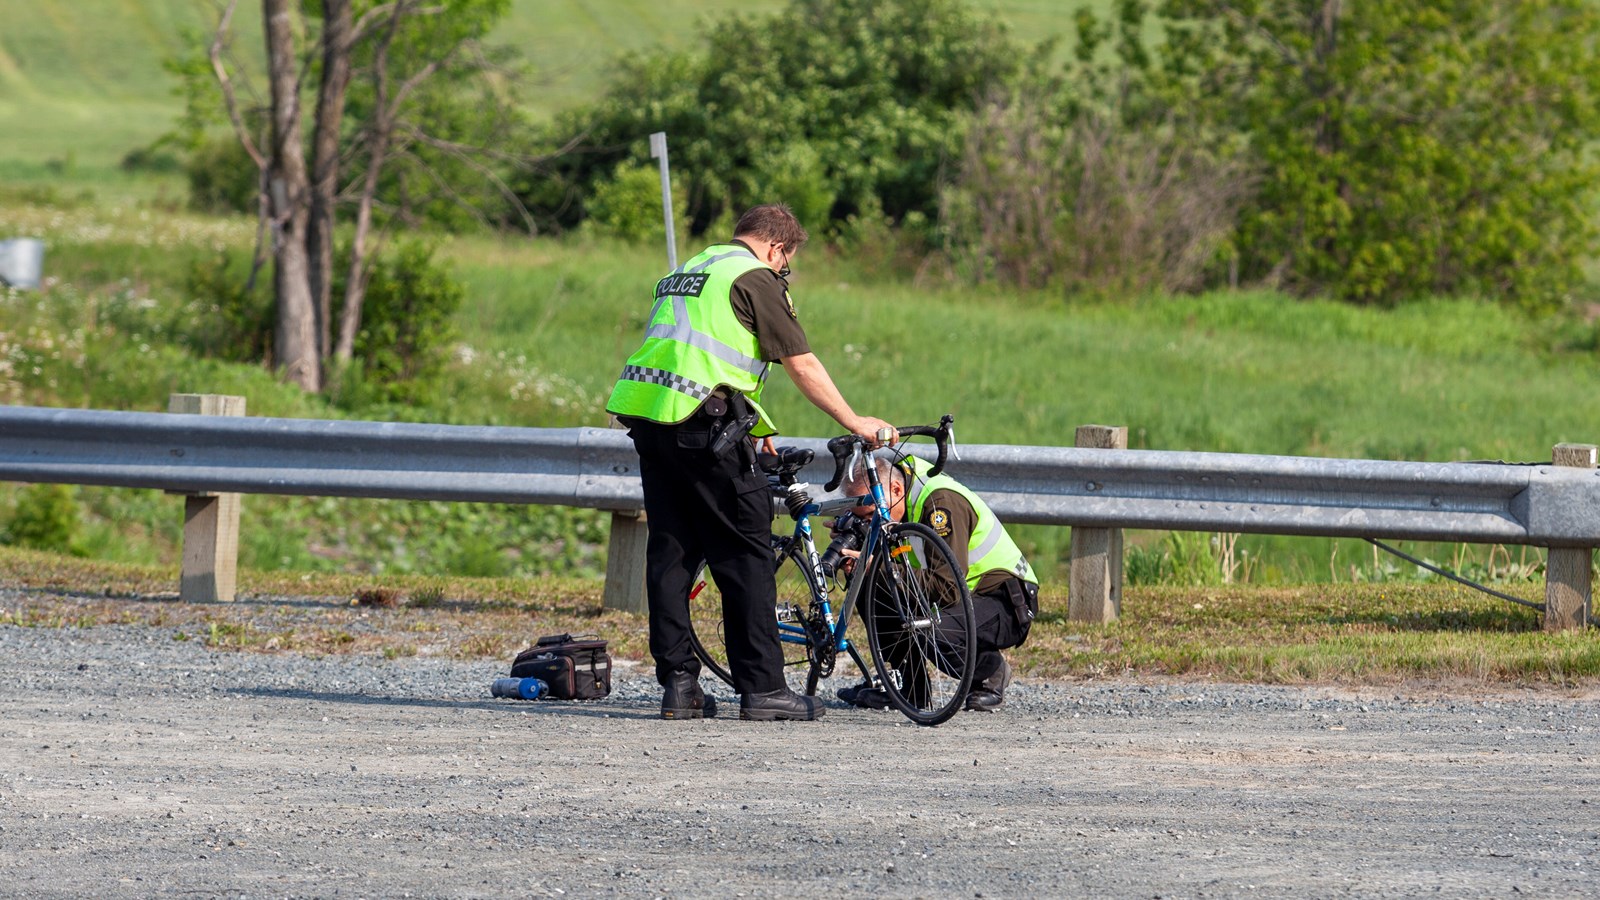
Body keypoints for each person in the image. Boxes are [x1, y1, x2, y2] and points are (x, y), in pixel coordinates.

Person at [605, 203, 897, 722]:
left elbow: (703, 358)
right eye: (788, 260)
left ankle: (679, 686)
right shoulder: (754, 276)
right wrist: (854, 420)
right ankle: (763, 688)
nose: (785, 270)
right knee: (746, 549)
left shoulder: (690, 270)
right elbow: (800, 363)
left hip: (652, 420)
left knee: (671, 551)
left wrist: (755, 430)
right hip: (704, 427)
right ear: (776, 247)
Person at [836, 451, 1038, 712]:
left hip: (1005, 601)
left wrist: (881, 567)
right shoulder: (897, 497)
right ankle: (909, 690)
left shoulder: (940, 504)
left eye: (869, 514)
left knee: (928, 629)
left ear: (896, 489)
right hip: (964, 596)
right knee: (870, 585)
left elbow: (947, 588)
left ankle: (990, 671)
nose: (869, 522)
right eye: (861, 517)